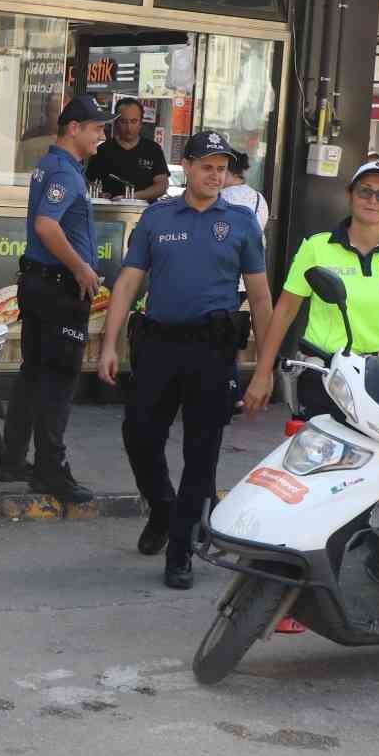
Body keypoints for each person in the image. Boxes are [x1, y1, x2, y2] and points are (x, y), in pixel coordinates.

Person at [97, 131, 274, 589]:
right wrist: (109, 343)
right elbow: (128, 282)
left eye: (222, 168)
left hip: (212, 350)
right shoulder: (157, 219)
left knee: (201, 454)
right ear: (188, 168)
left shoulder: (240, 223)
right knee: (138, 434)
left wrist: (266, 367)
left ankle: (180, 552)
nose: (215, 176)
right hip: (157, 346)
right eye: (207, 167)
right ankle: (164, 508)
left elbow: (260, 296)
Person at [0, 96, 109, 503]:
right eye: (96, 128)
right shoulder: (63, 171)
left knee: (34, 374)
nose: (102, 136)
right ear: (73, 128)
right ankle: (50, 470)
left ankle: (10, 459)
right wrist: (80, 268)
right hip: (58, 289)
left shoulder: (56, 166)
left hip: (41, 284)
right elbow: (46, 226)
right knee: (58, 380)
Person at [245, 159, 379, 418]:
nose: (372, 200)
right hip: (324, 375)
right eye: (364, 191)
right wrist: (262, 374)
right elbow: (285, 312)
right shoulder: (316, 247)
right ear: (350, 195)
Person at [85, 98, 169, 201]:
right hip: (109, 212)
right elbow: (89, 182)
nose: (129, 127)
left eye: (133, 121)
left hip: (145, 212)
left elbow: (162, 185)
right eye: (123, 121)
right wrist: (99, 194)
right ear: (116, 122)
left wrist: (132, 197)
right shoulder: (102, 150)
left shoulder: (153, 150)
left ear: (141, 123)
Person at [218, 150, 269, 232]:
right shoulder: (259, 197)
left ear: (233, 173)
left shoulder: (221, 196)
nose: (216, 175)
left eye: (220, 169)